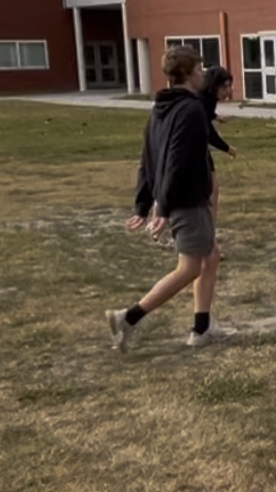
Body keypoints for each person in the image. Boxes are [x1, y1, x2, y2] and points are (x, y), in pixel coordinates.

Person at [107, 45, 234, 352]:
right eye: (200, 70)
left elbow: (148, 158)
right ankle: (129, 317)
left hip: (182, 198)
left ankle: (201, 329)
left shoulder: (163, 107)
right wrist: (160, 206)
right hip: (187, 199)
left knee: (211, 256)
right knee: (191, 267)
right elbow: (174, 159)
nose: (203, 74)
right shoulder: (190, 109)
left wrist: (143, 202)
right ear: (190, 74)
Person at [200, 65, 237, 260]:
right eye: (226, 86)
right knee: (210, 195)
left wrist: (216, 116)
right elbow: (207, 132)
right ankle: (209, 245)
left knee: (211, 193)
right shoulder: (203, 99)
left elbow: (205, 114)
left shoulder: (207, 99)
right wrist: (227, 148)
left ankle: (209, 243)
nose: (229, 91)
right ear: (215, 86)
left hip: (196, 151)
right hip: (194, 152)